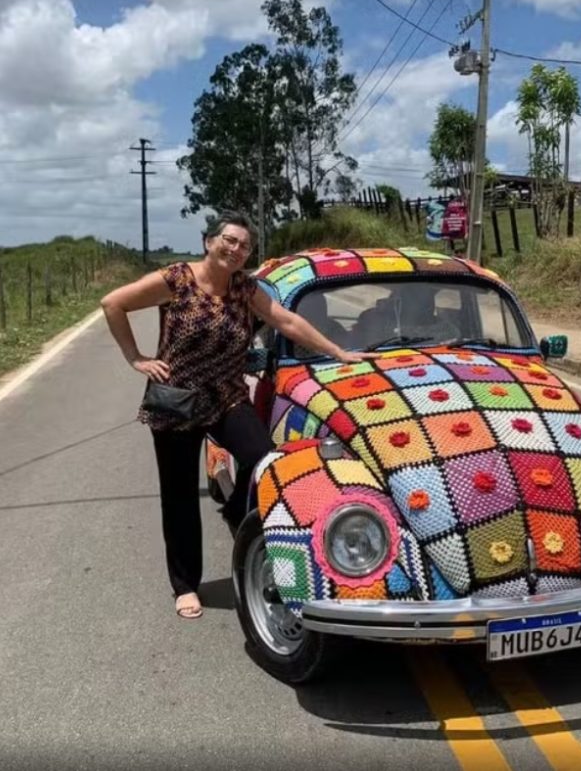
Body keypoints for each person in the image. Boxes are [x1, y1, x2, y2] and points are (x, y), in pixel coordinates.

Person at [100, 212, 375, 620]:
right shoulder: (177, 279)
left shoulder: (246, 289)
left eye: (244, 245)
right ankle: (185, 586)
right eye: (229, 240)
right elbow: (113, 303)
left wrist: (338, 352)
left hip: (227, 397)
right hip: (177, 400)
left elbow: (285, 320)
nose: (236, 249)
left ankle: (233, 512)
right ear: (209, 241)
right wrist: (136, 358)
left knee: (264, 460)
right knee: (178, 498)